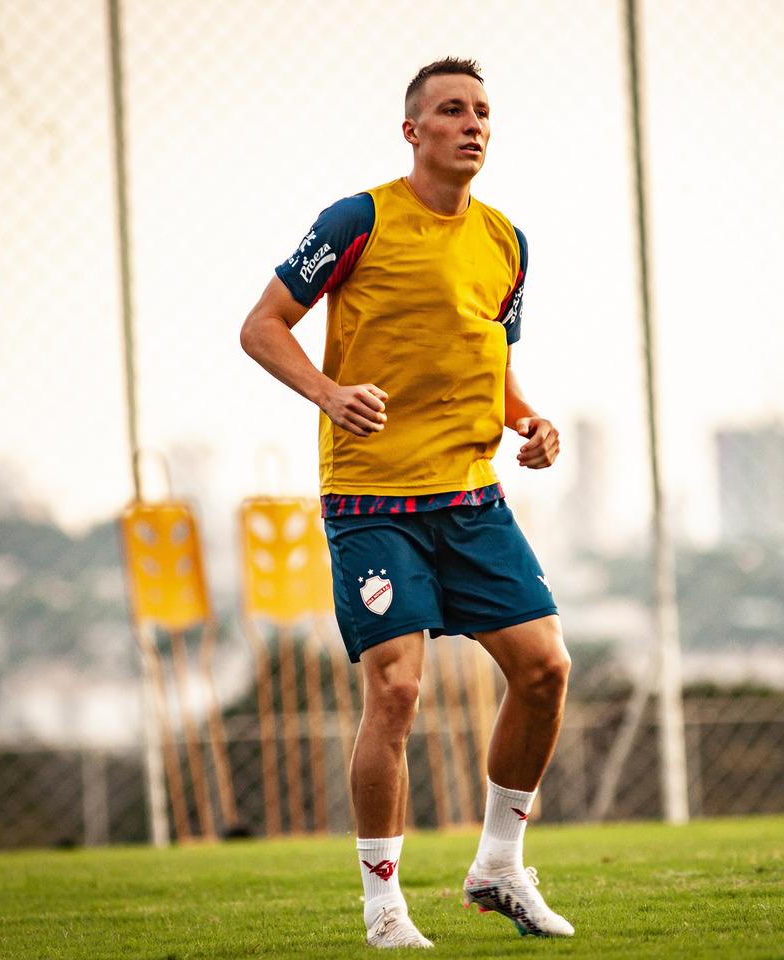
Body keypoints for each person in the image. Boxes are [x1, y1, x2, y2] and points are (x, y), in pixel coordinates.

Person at [239, 57, 575, 948]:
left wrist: (531, 423)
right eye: (452, 111)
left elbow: (493, 365)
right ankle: (383, 903)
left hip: (471, 499)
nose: (472, 125)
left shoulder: (507, 241)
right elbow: (261, 326)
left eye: (484, 112)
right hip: (373, 504)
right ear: (412, 130)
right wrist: (327, 391)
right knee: (395, 689)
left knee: (545, 669)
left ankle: (499, 866)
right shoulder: (359, 219)